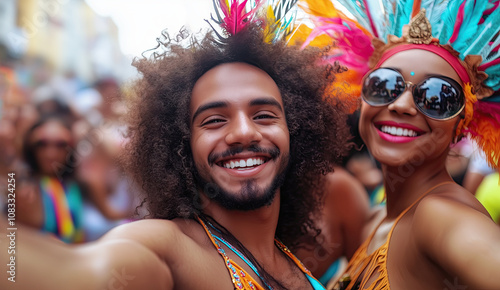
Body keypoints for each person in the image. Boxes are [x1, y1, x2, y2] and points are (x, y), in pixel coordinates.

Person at [0, 1, 351, 289]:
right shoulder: (169, 250)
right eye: (214, 120)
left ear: (297, 133)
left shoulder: (293, 260)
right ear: (181, 145)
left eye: (264, 115)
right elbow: (79, 275)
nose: (244, 132)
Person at [293, 0, 500, 289]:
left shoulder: (439, 216)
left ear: (460, 124)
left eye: (437, 97)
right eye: (384, 86)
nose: (402, 105)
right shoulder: (376, 219)